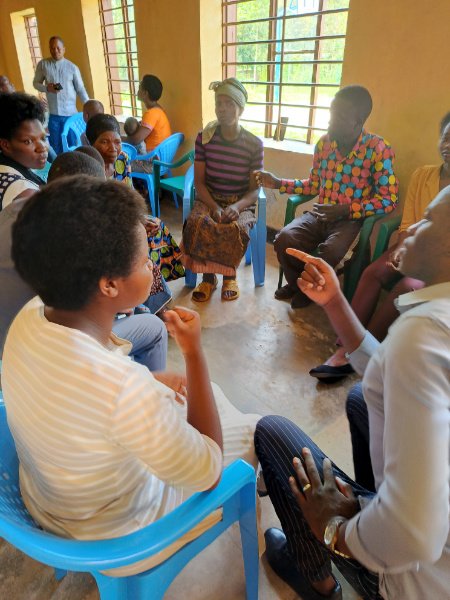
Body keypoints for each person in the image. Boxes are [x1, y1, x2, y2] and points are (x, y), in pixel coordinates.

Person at [2, 176, 260, 576]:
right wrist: (193, 353)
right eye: (144, 261)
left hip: (47, 501)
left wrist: (150, 385)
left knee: (196, 395)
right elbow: (208, 473)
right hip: (117, 536)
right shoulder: (124, 388)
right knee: (254, 426)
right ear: (108, 285)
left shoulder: (29, 317)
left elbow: (84, 392)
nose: (153, 267)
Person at [254, 188, 450, 599]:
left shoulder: (425, 335)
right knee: (362, 398)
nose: (412, 226)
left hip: (419, 577)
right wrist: (335, 303)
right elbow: (386, 372)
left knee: (272, 433)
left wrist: (337, 529)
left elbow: (414, 534)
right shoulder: (433, 329)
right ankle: (370, 516)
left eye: (429, 220)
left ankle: (321, 576)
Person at [310, 111, 450, 382]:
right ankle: (345, 347)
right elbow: (408, 223)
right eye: (446, 138)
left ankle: (366, 355)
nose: (448, 147)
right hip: (410, 245)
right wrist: (399, 248)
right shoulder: (424, 176)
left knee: (405, 287)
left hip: (439, 265)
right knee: (373, 272)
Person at [0, 149, 167, 375]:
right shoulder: (69, 241)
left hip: (20, 344)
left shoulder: (17, 210)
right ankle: (153, 385)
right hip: (40, 359)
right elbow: (84, 307)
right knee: (153, 326)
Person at [255, 85, 399, 309]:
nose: (330, 122)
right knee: (284, 239)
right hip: (319, 214)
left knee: (331, 252)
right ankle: (298, 285)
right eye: (331, 113)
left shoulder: (377, 149)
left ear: (358, 121)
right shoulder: (324, 144)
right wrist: (278, 183)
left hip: (350, 221)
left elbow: (389, 199)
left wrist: (346, 210)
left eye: (339, 117)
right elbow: (313, 185)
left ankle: (311, 289)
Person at [182, 78, 264, 301]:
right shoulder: (205, 139)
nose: (223, 109)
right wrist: (214, 206)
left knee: (235, 227)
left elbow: (254, 191)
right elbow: (199, 182)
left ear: (241, 108)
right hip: (209, 198)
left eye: (229, 104)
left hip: (240, 200)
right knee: (199, 223)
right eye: (219, 103)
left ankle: (229, 277)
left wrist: (236, 207)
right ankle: (208, 279)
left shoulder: (254, 144)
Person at [33, 36, 89, 155]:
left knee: (73, 145)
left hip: (70, 115)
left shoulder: (72, 67)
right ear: (49, 49)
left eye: (58, 48)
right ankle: (59, 170)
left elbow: (80, 89)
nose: (55, 51)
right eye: (52, 48)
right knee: (55, 145)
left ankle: (75, 169)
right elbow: (35, 83)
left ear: (64, 49)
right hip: (54, 115)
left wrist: (89, 105)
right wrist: (46, 88)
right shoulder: (43, 65)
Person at [0, 92, 48, 211]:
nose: (42, 148)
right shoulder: (25, 193)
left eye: (43, 138)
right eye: (28, 141)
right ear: (5, 145)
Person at [122, 74, 171, 153]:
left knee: (123, 157)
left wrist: (118, 138)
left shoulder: (151, 113)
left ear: (145, 93)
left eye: (139, 88)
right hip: (163, 154)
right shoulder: (159, 109)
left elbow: (135, 140)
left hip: (154, 158)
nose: (137, 91)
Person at [85, 113, 132, 185]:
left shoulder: (122, 159)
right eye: (104, 142)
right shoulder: (86, 168)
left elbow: (129, 189)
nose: (113, 149)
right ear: (92, 144)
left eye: (117, 142)